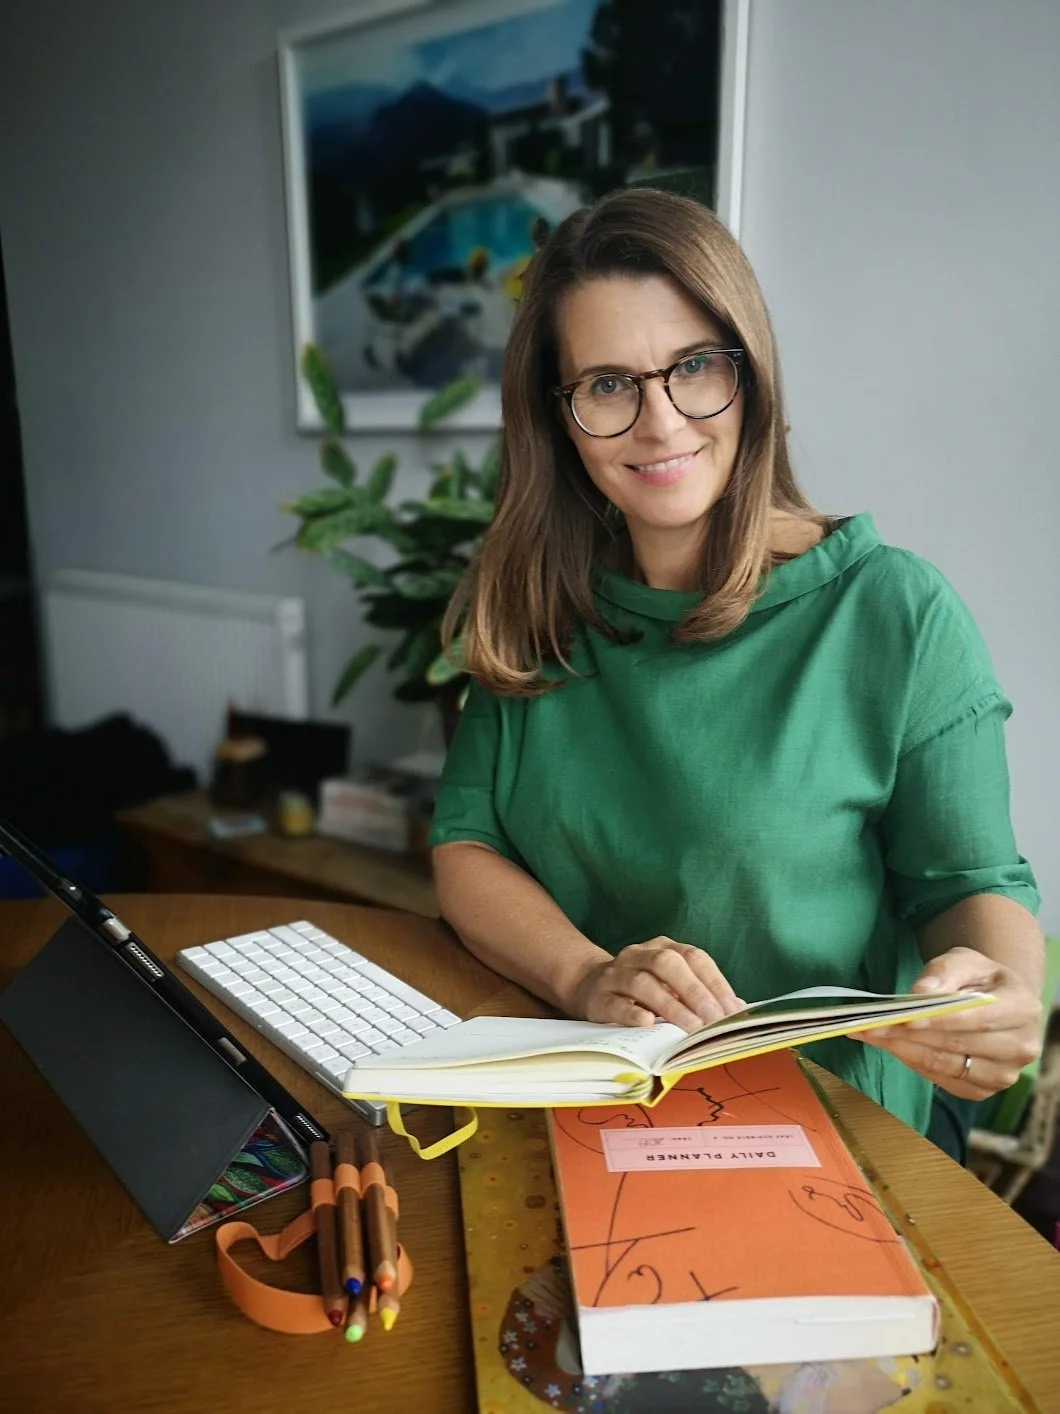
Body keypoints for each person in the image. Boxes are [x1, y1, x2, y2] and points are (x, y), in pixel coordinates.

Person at [427, 186, 1044, 1160]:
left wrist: (1001, 990)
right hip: (572, 1101)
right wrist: (590, 978)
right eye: (607, 383)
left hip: (823, 1131)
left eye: (693, 367)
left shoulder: (894, 611)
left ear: (749, 375)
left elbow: (970, 884)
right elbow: (467, 843)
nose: (659, 420)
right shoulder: (532, 600)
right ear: (559, 417)